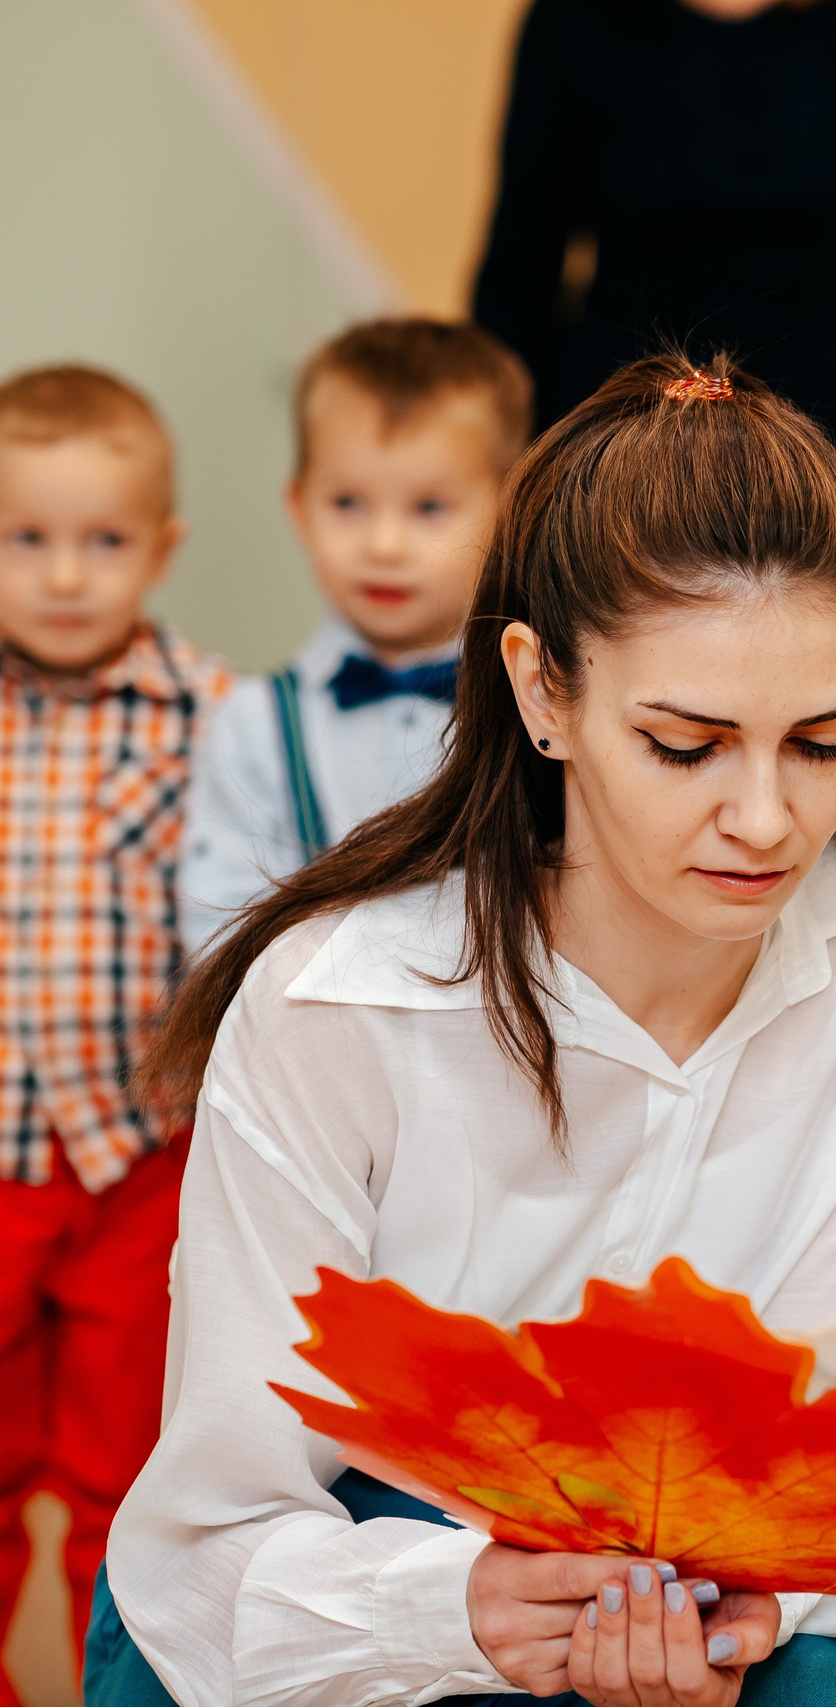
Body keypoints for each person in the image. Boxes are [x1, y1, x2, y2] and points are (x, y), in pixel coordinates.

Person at [90, 355, 836, 1707]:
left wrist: (722, 1619)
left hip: (702, 1621)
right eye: (687, 744)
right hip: (332, 1610)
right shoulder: (336, 999)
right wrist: (458, 1608)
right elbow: (210, 1545)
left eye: (823, 740)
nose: (767, 819)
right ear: (542, 688)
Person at [0, 364, 230, 1693]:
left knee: (124, 1480)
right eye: (27, 538)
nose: (66, 575)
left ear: (161, 546)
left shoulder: (211, 709)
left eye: (104, 541)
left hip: (137, 1154)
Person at [469, 0, 836, 499]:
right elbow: (520, 268)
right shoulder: (572, 20)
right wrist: (501, 466)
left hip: (824, 437)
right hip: (619, 440)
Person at [179, 318, 532, 953]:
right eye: (348, 503)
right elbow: (219, 929)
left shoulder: (540, 705)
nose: (383, 546)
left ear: (510, 513)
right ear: (298, 509)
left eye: (429, 508)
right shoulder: (254, 723)